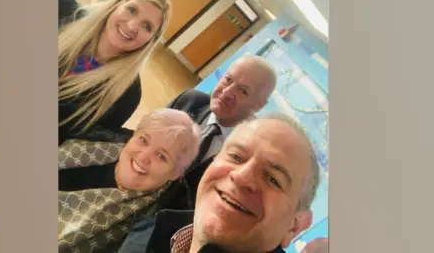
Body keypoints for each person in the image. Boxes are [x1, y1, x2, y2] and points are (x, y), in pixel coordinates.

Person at [138, 114, 321, 253]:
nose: (241, 177)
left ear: (294, 226)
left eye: (273, 179)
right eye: (235, 156)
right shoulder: (148, 226)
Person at [58, 108, 202, 252]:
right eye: (143, 140)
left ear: (176, 173)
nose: (144, 156)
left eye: (161, 156)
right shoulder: (87, 140)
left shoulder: (152, 228)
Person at [160, 54, 278, 210]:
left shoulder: (249, 158)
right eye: (228, 79)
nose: (227, 92)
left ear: (258, 105)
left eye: (243, 91)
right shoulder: (189, 101)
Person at [58, 0, 172, 145]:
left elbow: (76, 145)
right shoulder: (64, 14)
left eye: (147, 26)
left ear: (151, 40)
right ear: (117, 4)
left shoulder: (126, 95)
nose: (132, 26)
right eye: (132, 10)